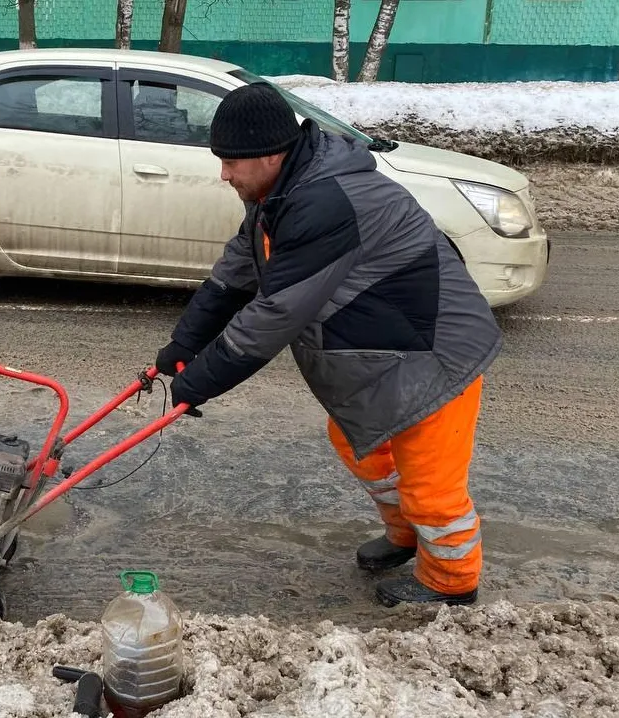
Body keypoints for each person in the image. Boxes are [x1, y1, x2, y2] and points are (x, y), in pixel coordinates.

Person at [154, 83, 502, 607]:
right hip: (388, 348)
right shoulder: (278, 195)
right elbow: (233, 275)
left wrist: (198, 383)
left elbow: (275, 314)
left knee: (430, 481)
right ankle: (407, 533)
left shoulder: (325, 202)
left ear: (270, 154)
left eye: (230, 162)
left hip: (434, 352)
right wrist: (183, 344)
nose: (223, 174)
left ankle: (451, 580)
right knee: (360, 444)